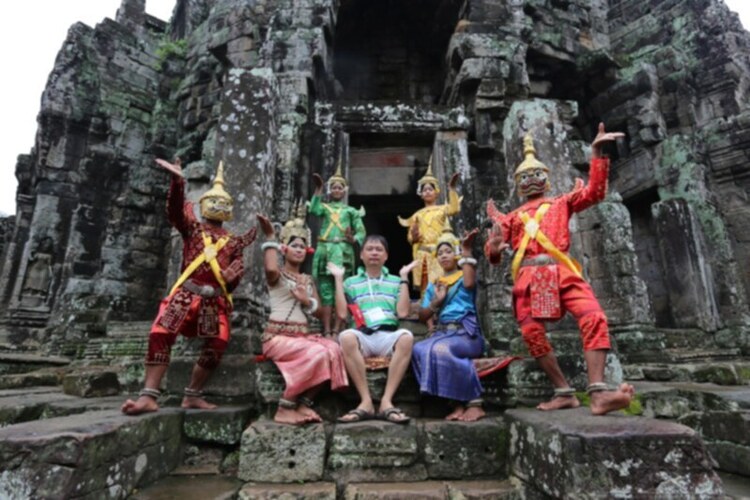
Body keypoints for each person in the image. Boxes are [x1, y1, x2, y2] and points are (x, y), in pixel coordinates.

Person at [485, 123, 634, 415]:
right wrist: (492, 249)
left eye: (536, 174)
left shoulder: (561, 203)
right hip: (527, 277)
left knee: (593, 317)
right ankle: (563, 391)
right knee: (531, 333)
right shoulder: (511, 218)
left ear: (547, 179)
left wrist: (596, 153)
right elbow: (493, 254)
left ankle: (599, 392)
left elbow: (594, 193)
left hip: (561, 271)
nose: (531, 179)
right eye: (524, 176)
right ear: (517, 184)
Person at [122, 158, 257, 415]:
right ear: (203, 206)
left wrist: (230, 280)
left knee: (218, 343)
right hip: (187, 294)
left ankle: (193, 394)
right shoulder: (193, 228)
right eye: (213, 201)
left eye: (223, 203)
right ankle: (149, 395)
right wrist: (177, 182)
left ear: (229, 209)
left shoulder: (233, 242)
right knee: (160, 333)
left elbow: (236, 273)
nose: (218, 205)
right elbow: (174, 211)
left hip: (213, 301)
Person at [257, 203, 349, 425]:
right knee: (318, 353)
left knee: (334, 350)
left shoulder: (307, 280)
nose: (298, 249)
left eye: (302, 246)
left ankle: (303, 404)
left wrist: (306, 301)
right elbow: (269, 268)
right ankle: (284, 406)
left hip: (301, 337)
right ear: (284, 249)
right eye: (294, 245)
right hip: (277, 338)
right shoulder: (277, 275)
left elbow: (317, 312)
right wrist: (270, 237)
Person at [413, 226, 499, 421]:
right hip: (442, 333)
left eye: (448, 251)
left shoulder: (463, 275)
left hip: (466, 334)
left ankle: (475, 402)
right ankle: (457, 404)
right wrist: (436, 302)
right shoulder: (435, 285)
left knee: (441, 349)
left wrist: (467, 250)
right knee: (418, 349)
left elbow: (469, 284)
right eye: (440, 253)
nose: (444, 256)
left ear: (456, 254)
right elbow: (422, 315)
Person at [329, 235, 418, 423]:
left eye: (379, 249)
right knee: (346, 337)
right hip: (363, 336)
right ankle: (366, 401)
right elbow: (343, 314)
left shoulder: (395, 281)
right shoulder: (351, 282)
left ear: (386, 256)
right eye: (369, 249)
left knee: (407, 337)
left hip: (387, 335)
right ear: (361, 255)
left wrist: (404, 278)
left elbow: (402, 312)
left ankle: (386, 401)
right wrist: (338, 280)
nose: (374, 253)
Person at [308, 161, 366, 337]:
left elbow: (361, 231)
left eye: (340, 187)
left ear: (345, 190)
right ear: (329, 190)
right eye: (333, 187)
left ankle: (338, 328)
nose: (337, 190)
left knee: (342, 287)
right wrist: (318, 189)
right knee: (326, 290)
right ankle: (326, 329)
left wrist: (353, 238)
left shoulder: (351, 211)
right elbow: (314, 209)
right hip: (325, 248)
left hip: (343, 250)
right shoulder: (324, 207)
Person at [398, 156, 460, 292]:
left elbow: (455, 208)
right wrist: (414, 236)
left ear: (436, 192)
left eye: (430, 189)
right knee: (425, 286)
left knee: (442, 282)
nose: (427, 192)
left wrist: (452, 189)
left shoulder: (442, 209)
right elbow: (410, 238)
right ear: (421, 194)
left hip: (439, 252)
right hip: (423, 253)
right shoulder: (417, 215)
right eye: (424, 190)